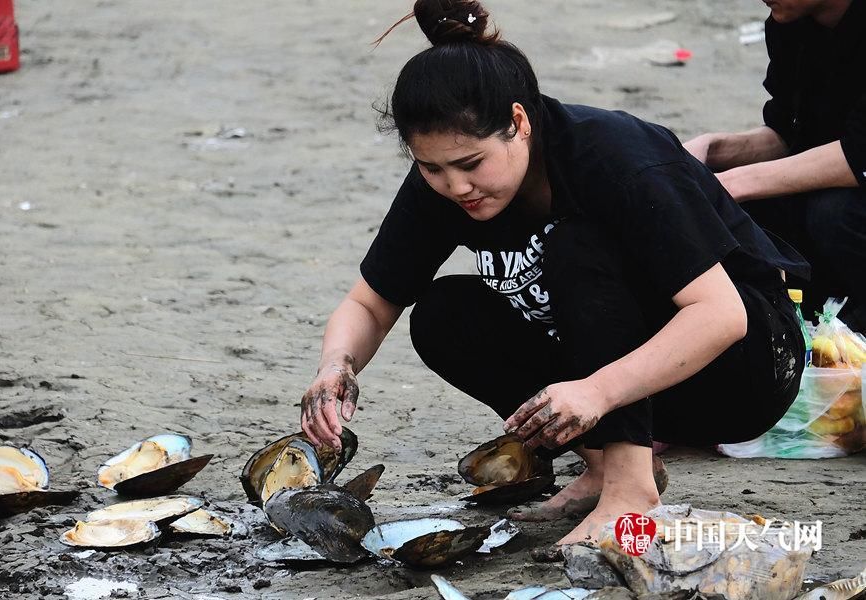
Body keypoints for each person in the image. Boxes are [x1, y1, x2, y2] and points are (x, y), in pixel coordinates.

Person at [299, 0, 807, 553]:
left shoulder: (613, 157)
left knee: (575, 244)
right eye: (432, 168)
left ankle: (631, 492)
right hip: (630, 383)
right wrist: (335, 366)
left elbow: (722, 314)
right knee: (444, 313)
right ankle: (601, 466)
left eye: (471, 165)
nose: (456, 187)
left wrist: (597, 391)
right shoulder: (443, 188)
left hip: (746, 367)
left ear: (519, 123)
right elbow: (370, 305)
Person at [684, 0, 865, 331]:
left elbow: (857, 158)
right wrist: (711, 150)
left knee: (833, 213)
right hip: (832, 196)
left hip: (846, 206)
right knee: (743, 206)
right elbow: (787, 135)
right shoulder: (789, 25)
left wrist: (731, 184)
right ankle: (798, 324)